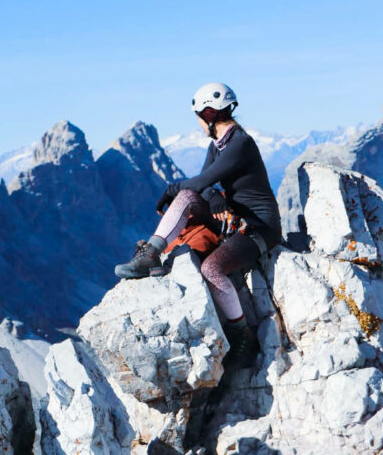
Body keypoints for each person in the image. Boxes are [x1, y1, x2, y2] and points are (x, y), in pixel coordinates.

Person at [113, 82, 282, 368]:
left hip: (259, 227)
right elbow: (203, 185)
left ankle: (242, 335)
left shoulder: (240, 143)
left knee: (211, 269)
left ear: (208, 113)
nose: (198, 123)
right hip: (235, 218)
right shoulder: (219, 144)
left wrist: (173, 188)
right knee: (188, 196)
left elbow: (202, 180)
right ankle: (152, 254)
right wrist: (213, 196)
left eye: (199, 116)